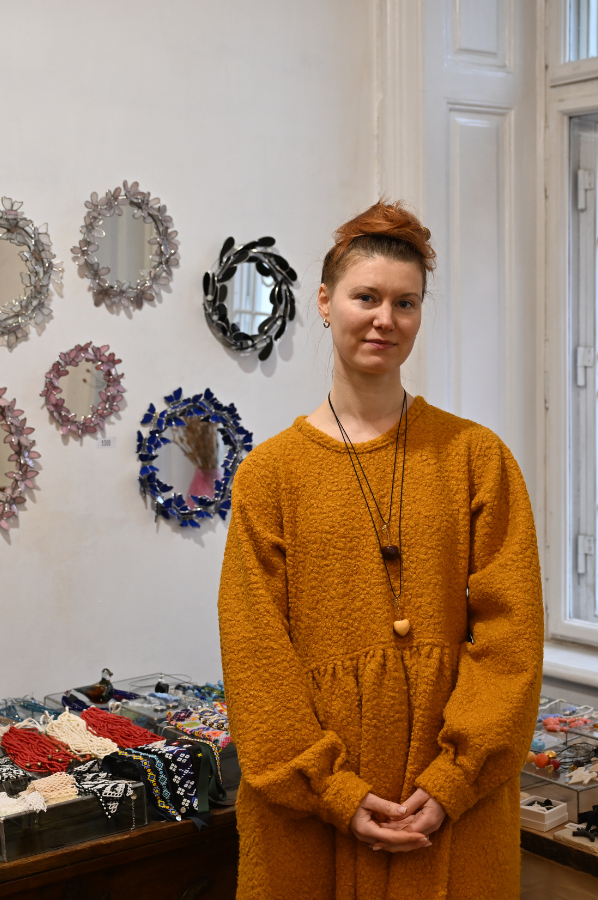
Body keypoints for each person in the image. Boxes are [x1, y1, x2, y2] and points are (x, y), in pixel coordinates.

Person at [217, 200, 544, 899]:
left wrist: (455, 777)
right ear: (325, 303)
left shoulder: (475, 457)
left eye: (405, 303)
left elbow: (511, 634)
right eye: (366, 297)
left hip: (450, 795)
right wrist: (329, 787)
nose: (384, 320)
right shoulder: (270, 474)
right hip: (310, 808)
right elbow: (255, 653)